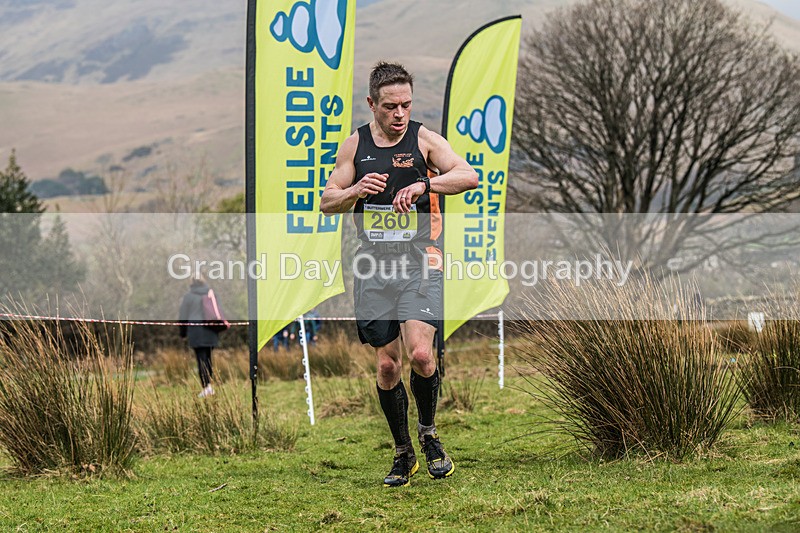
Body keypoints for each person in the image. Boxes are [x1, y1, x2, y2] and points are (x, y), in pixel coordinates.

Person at [320, 62, 478, 487]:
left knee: (422, 355)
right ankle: (403, 451)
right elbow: (326, 200)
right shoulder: (354, 146)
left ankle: (428, 434)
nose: (400, 114)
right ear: (372, 104)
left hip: (420, 262)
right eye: (390, 106)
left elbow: (469, 175)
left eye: (406, 105)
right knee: (388, 366)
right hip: (373, 269)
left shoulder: (424, 140)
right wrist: (354, 191)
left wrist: (426, 185)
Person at [178, 275, 220, 398]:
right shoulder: (211, 294)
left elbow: (183, 317)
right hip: (211, 331)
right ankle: (209, 386)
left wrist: (182, 333)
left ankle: (206, 387)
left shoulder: (189, 297)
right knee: (208, 359)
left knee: (201, 360)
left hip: (196, 332)